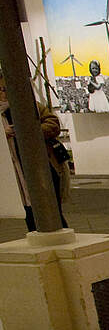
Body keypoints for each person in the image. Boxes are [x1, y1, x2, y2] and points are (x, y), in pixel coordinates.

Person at [0, 68, 70, 231]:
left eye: (6, 89)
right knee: (28, 213)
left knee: (52, 211)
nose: (4, 94)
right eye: (0, 90)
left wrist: (28, 131)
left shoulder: (27, 105)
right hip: (12, 175)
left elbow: (52, 124)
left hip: (40, 168)